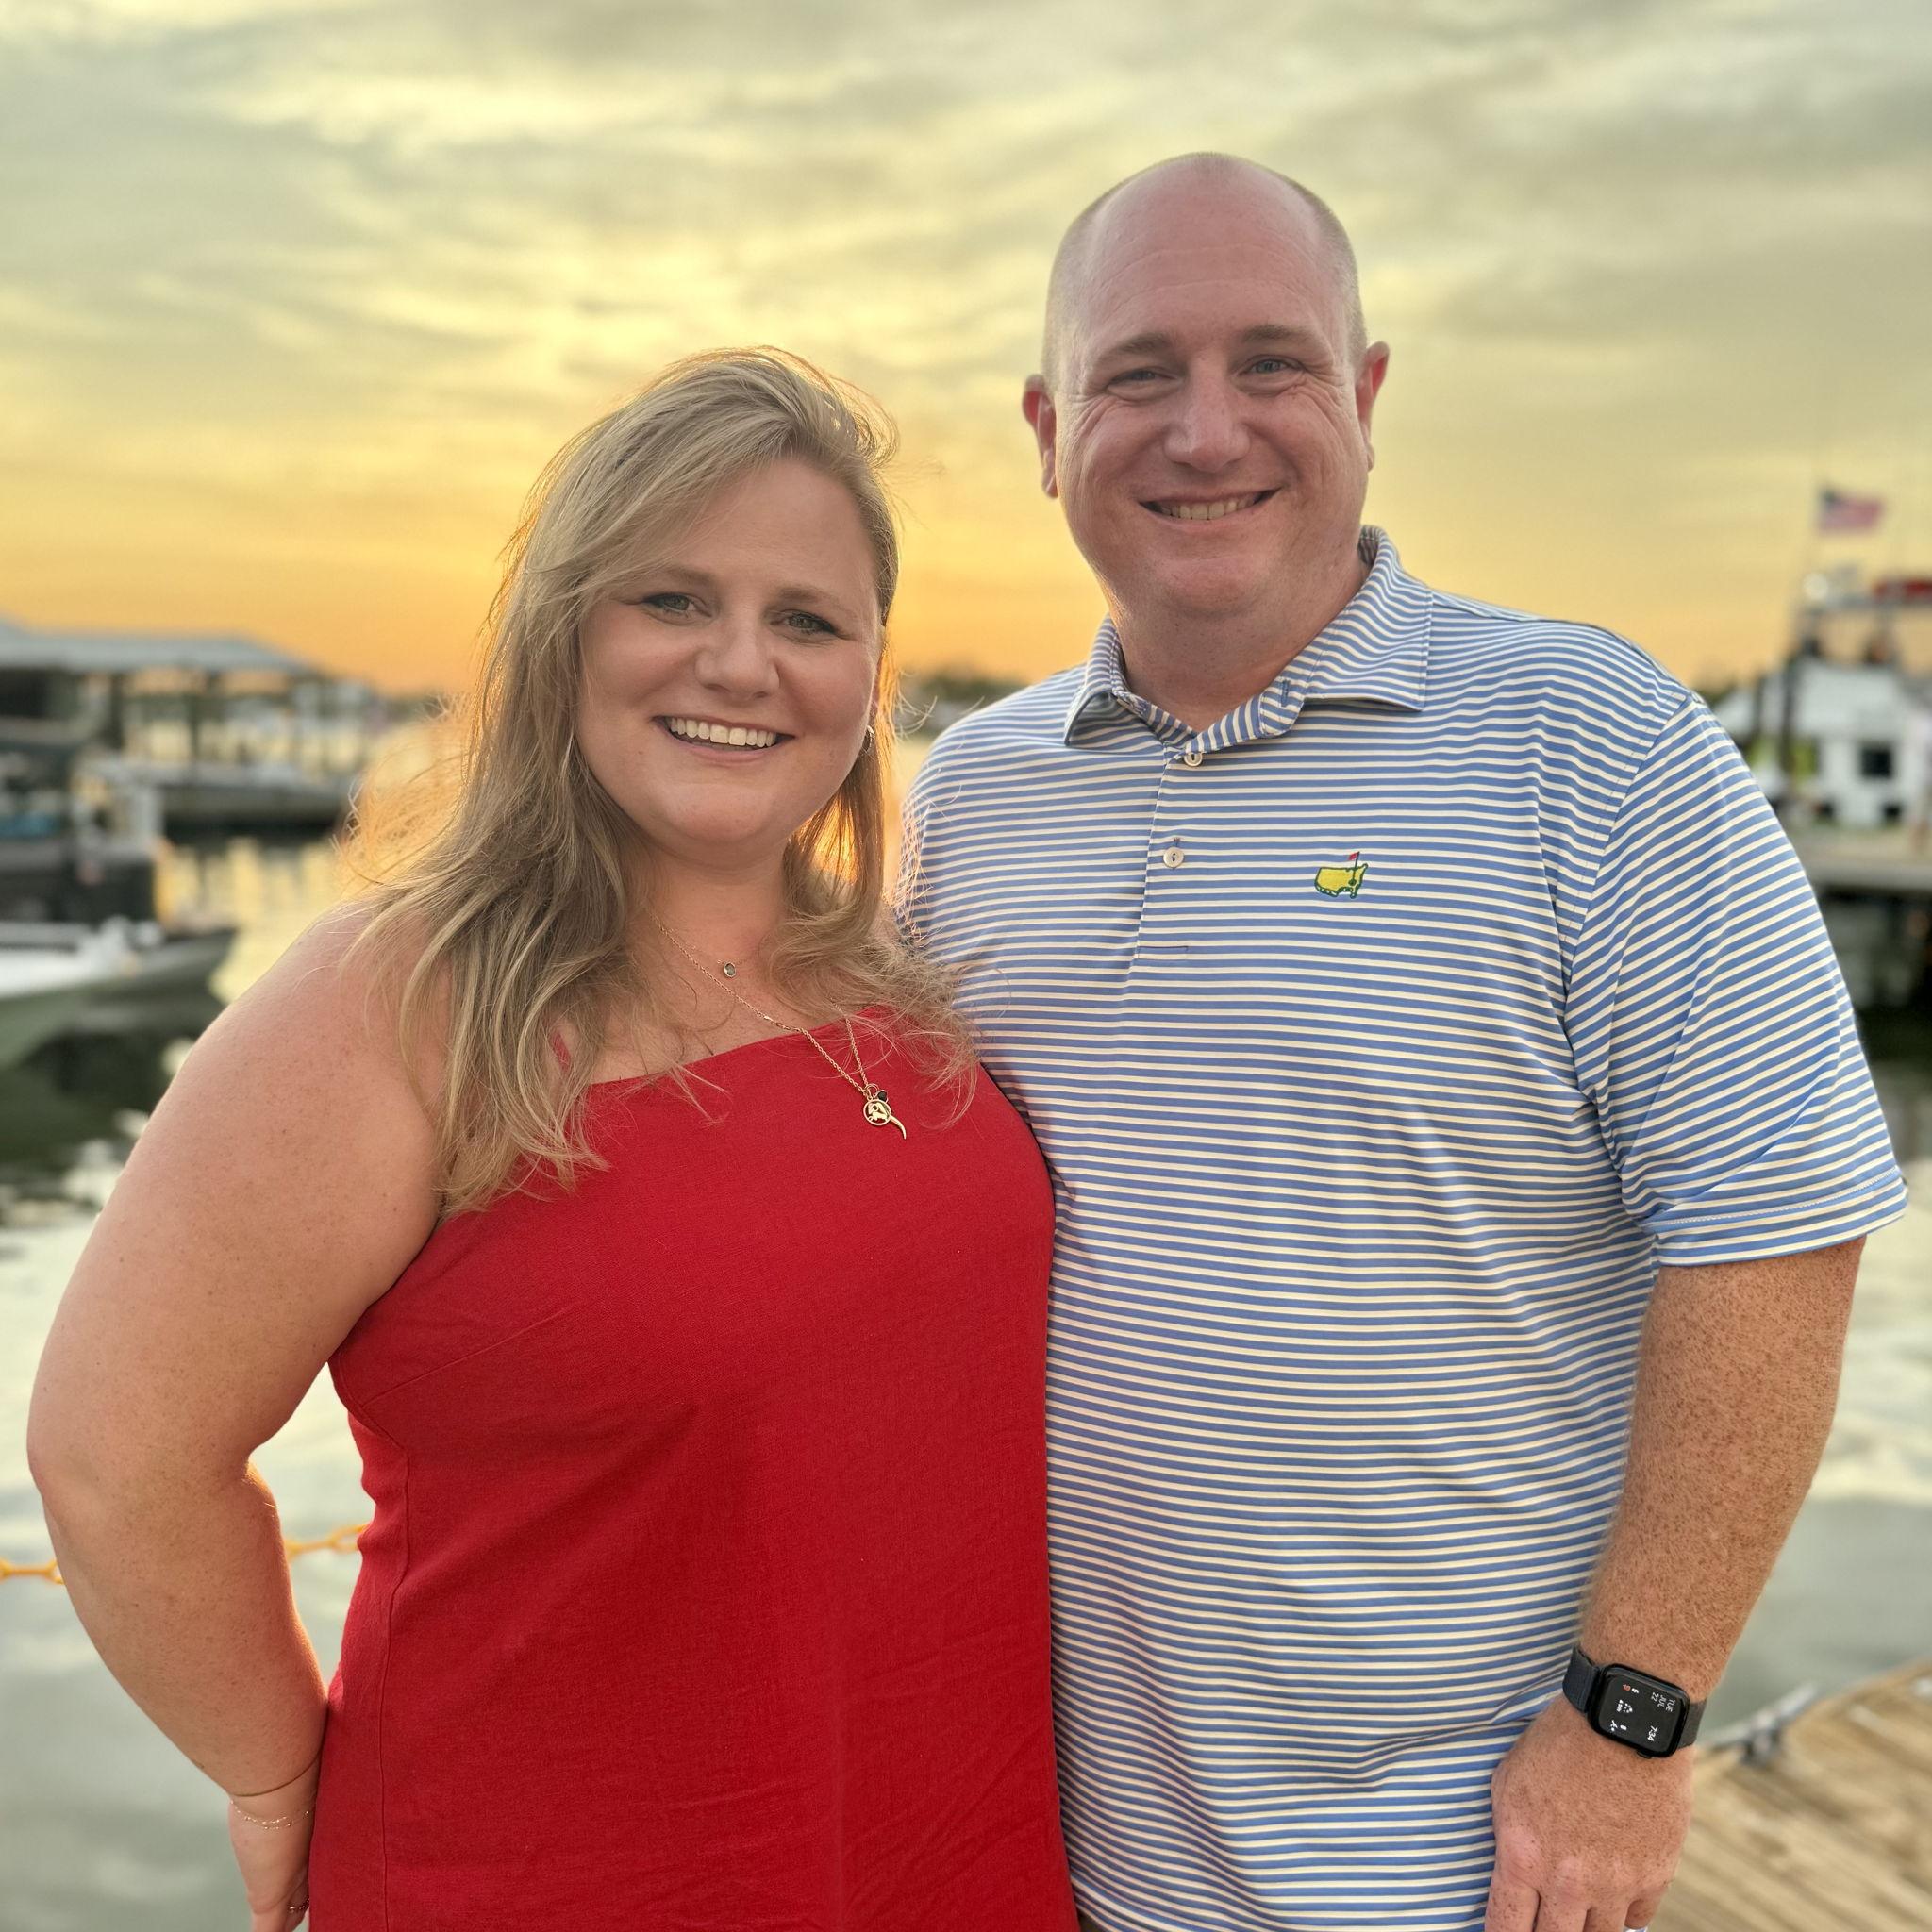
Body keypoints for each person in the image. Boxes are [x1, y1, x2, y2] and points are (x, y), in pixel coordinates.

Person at [901, 154, 1907, 1932]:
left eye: (1271, 364)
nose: (1206, 430)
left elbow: (1775, 1234)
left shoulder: (1592, 744)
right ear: (1049, 431)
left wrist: (1634, 1719)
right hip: (1059, 1839)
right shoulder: (975, 795)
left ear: (1365, 396)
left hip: (1456, 1860)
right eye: (1139, 374)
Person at [28, 349, 1079, 1932]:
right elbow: (116, 1462)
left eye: (808, 620)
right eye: (673, 599)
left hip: (948, 1852)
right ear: (563, 629)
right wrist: (272, 1772)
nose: (742, 662)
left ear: (871, 675)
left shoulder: (896, 963)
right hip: (560, 1875)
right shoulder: (395, 1001)